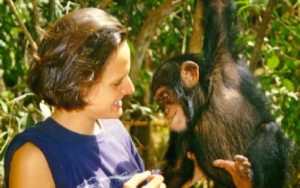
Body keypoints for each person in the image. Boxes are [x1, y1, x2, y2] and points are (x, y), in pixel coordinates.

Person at [4, 8, 251, 188]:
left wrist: (199, 169)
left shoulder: (115, 131)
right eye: (117, 81)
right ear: (79, 82)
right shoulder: (33, 157)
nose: (130, 88)